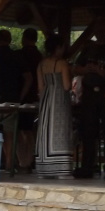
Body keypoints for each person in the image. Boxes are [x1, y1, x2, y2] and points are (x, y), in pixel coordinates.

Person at [73, 19, 105, 179]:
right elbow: (75, 68)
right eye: (97, 30)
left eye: (102, 30)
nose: (100, 33)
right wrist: (85, 69)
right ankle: (87, 166)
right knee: (88, 130)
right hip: (89, 93)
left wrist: (104, 72)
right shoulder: (88, 47)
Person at [35, 35, 74, 179]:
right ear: (58, 47)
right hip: (59, 99)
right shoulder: (62, 63)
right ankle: (62, 169)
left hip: (46, 98)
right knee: (60, 130)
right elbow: (66, 85)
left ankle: (44, 168)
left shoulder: (41, 65)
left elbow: (40, 87)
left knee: (45, 130)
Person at [0, 29, 28, 171]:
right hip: (12, 99)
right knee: (10, 134)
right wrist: (20, 97)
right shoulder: (16, 56)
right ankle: (9, 164)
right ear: (10, 40)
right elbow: (28, 78)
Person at [16, 28, 42, 172]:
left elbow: (27, 78)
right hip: (35, 96)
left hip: (22, 95)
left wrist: (20, 96)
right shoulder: (40, 56)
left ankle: (22, 161)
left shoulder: (20, 55)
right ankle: (30, 159)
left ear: (24, 38)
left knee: (20, 131)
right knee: (29, 130)